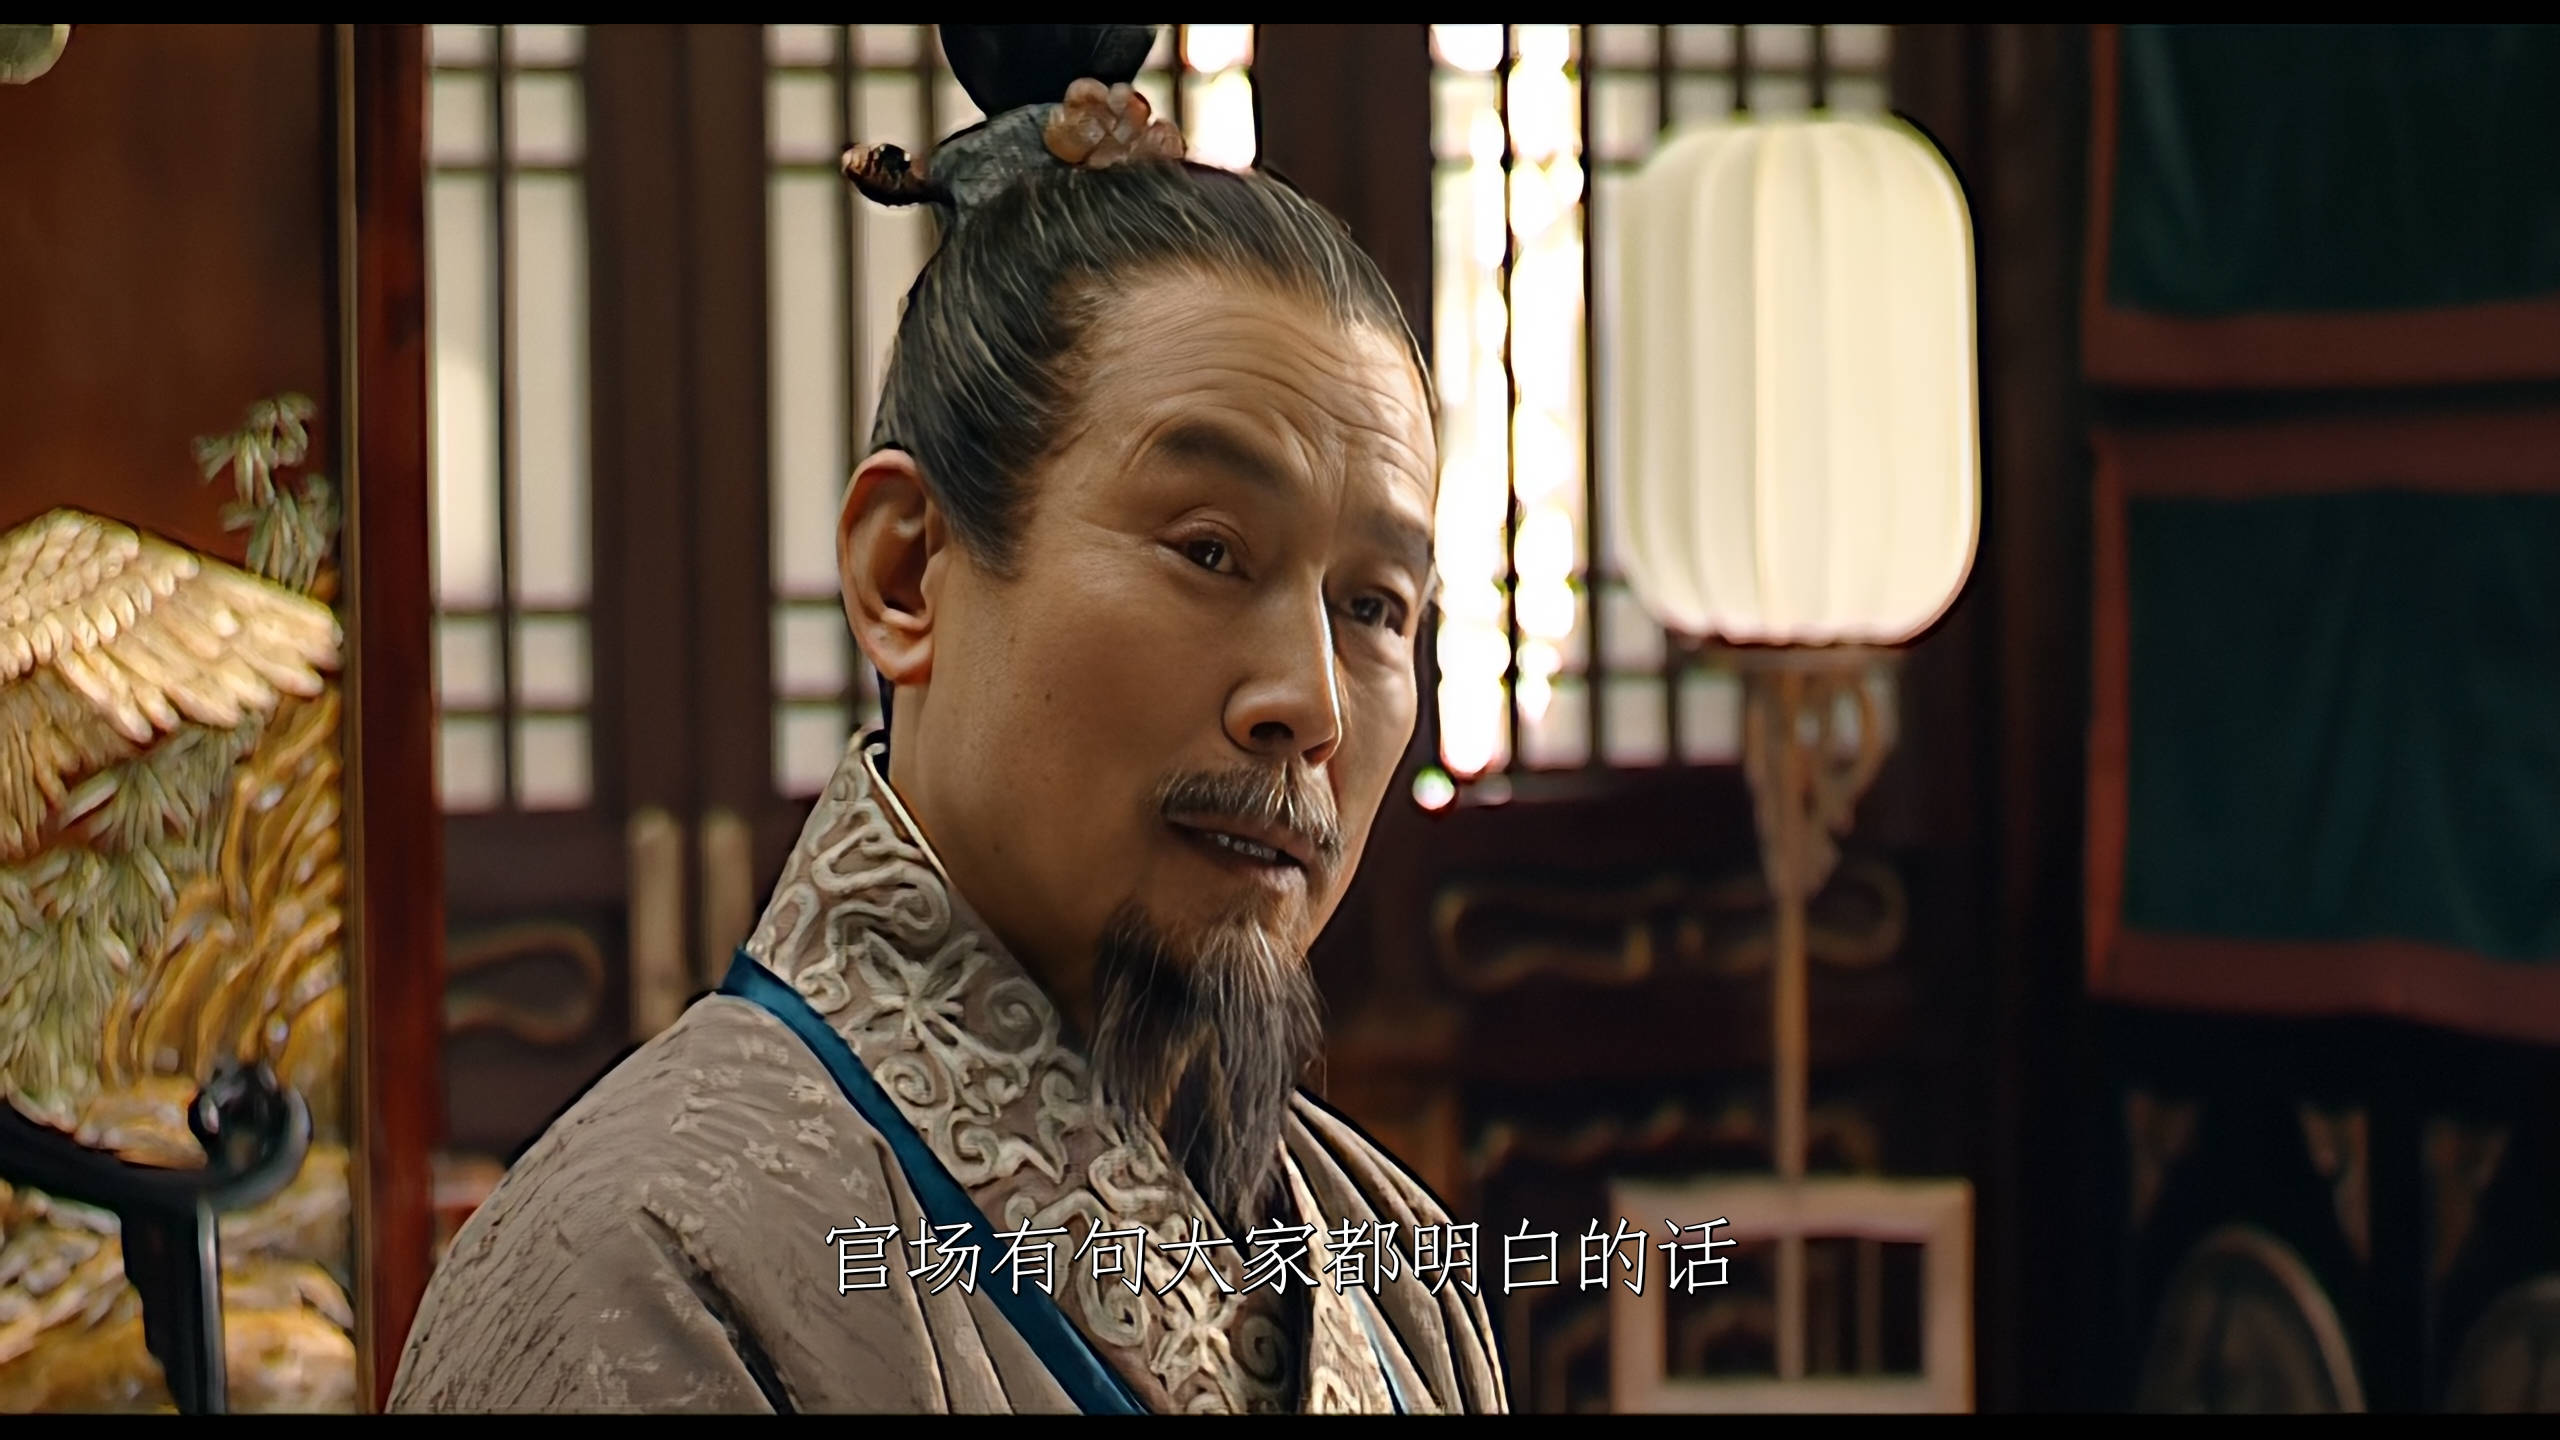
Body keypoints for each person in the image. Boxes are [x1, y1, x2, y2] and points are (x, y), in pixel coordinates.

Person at [389, 24, 1506, 1415]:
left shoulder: (1396, 1271)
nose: (1312, 705)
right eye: (1211, 551)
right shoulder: (640, 1260)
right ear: (906, 574)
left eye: (1375, 608)